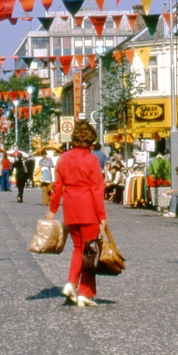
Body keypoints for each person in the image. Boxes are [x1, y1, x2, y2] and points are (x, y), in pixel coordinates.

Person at [46, 121, 107, 307]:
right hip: (88, 207)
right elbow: (97, 189)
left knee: (78, 248)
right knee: (90, 251)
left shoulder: (63, 158)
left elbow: (57, 187)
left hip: (70, 207)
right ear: (90, 140)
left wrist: (52, 209)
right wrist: (102, 216)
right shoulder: (91, 160)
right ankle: (83, 292)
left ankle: (72, 283)